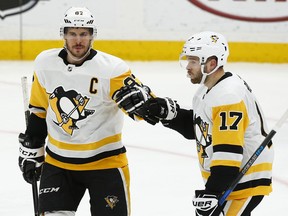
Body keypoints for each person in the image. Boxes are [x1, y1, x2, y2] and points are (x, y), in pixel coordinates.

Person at [115, 31, 274, 215]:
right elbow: (200, 130)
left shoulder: (228, 96)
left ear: (212, 63)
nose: (188, 67)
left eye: (193, 61)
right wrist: (169, 114)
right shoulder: (208, 89)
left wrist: (212, 193)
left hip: (242, 180)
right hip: (230, 179)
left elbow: (228, 152)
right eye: (188, 60)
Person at [18, 6, 156, 216]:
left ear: (93, 36)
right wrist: (32, 147)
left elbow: (145, 108)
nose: (78, 40)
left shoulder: (112, 69)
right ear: (63, 35)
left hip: (105, 165)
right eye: (72, 33)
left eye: (84, 34)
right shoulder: (45, 63)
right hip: (58, 164)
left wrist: (144, 105)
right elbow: (39, 109)